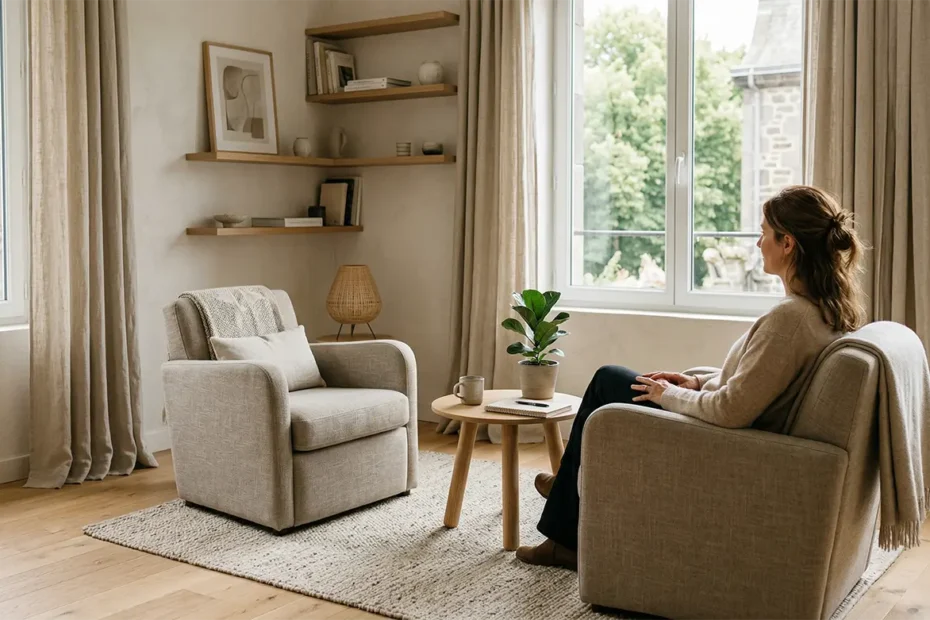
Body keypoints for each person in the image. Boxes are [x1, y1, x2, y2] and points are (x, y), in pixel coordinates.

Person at [516, 185, 866, 569]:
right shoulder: (824, 311)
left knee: (607, 379)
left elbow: (732, 410)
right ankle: (568, 486)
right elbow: (757, 381)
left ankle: (564, 536)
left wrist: (666, 395)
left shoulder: (791, 319)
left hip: (717, 439)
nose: (757, 243)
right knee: (617, 380)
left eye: (764, 232)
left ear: (787, 244)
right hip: (725, 426)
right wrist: (696, 383)